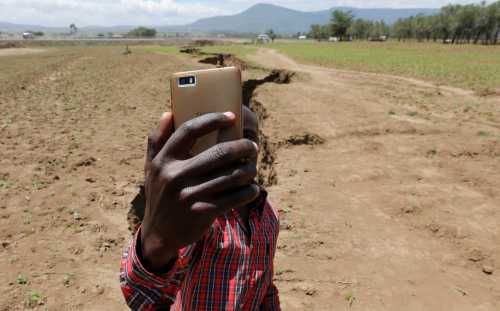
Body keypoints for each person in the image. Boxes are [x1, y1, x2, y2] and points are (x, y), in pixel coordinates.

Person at [120, 106, 280, 310]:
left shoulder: (268, 215)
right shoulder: (197, 215)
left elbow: (265, 286)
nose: (237, 146)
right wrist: (154, 243)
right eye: (225, 137)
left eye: (248, 136)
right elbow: (143, 296)